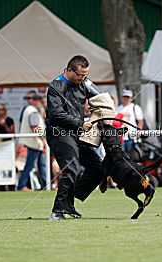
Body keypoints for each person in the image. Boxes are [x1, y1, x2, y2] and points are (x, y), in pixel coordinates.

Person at [46, 55, 105, 220]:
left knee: (98, 168)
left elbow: (100, 99)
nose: (83, 78)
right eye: (80, 75)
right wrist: (80, 124)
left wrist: (103, 113)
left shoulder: (84, 84)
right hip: (59, 133)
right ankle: (57, 211)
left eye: (85, 75)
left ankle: (69, 203)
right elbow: (56, 114)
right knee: (72, 169)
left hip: (76, 133)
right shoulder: (56, 86)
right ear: (69, 70)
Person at [17, 94, 46, 192]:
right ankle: (21, 186)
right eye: (42, 103)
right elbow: (34, 127)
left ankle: (46, 185)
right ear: (37, 102)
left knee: (42, 165)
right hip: (34, 142)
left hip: (35, 143)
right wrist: (42, 139)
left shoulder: (28, 110)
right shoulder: (33, 112)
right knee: (30, 165)